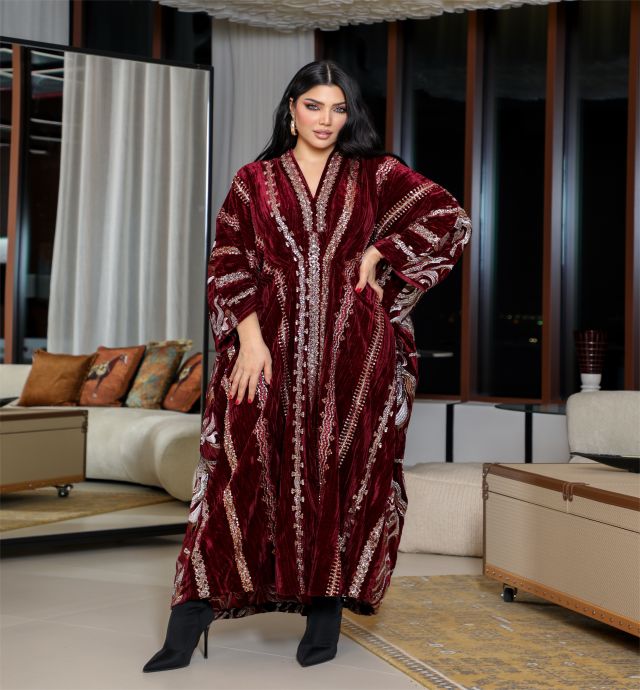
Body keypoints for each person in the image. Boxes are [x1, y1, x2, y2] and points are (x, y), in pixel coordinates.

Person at [143, 59, 471, 673]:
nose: (326, 120)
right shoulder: (255, 181)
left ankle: (326, 613)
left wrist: (380, 251)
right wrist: (250, 340)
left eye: (338, 108)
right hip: (267, 353)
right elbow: (228, 262)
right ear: (292, 110)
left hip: (356, 358)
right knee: (238, 475)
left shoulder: (375, 174)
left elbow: (449, 219)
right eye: (314, 106)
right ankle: (190, 616)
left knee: (341, 477)